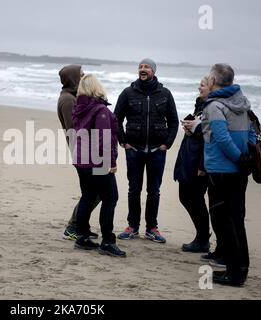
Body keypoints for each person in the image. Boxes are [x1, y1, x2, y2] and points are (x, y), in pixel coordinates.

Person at [201, 63, 256, 286]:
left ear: (213, 82)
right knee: (237, 220)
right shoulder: (242, 101)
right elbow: (252, 130)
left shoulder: (215, 106)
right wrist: (245, 157)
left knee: (224, 221)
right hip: (238, 172)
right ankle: (241, 269)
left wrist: (238, 158)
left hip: (221, 170)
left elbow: (222, 138)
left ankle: (234, 274)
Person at [114, 58, 179, 243]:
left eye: (147, 67)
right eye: (140, 67)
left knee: (154, 191)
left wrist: (167, 144)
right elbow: (116, 119)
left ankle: (152, 228)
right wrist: (124, 142)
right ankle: (132, 226)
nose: (143, 69)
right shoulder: (128, 93)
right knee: (134, 189)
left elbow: (174, 121)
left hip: (157, 150)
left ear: (153, 71)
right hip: (134, 149)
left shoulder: (165, 94)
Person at [71, 74, 125, 257]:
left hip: (81, 159)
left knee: (87, 196)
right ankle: (108, 241)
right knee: (111, 198)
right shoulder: (100, 110)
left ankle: (82, 236)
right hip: (97, 161)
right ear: (97, 88)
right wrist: (111, 162)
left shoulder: (79, 107)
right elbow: (104, 139)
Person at [57, 65, 99, 241]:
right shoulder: (67, 100)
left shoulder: (74, 97)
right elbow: (74, 129)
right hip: (82, 153)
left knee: (92, 191)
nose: (83, 76)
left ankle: (82, 225)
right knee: (94, 192)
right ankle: (73, 227)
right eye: (80, 74)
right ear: (73, 78)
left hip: (86, 151)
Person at [174, 77, 211, 253]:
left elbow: (211, 138)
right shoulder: (201, 104)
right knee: (186, 196)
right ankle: (202, 236)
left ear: (212, 88)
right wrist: (191, 127)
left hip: (200, 161)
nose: (199, 87)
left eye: (202, 85)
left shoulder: (213, 108)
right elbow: (201, 130)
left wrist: (204, 166)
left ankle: (203, 239)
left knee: (195, 198)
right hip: (189, 156)